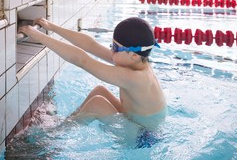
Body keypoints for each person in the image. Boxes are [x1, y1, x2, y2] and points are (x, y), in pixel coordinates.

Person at [19, 17, 167, 130]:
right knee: (100, 91)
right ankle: (65, 122)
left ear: (133, 54)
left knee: (97, 104)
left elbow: (82, 60)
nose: (111, 49)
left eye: (115, 46)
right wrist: (51, 27)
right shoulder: (132, 59)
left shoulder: (135, 78)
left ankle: (57, 134)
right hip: (135, 122)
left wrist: (38, 36)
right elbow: (90, 45)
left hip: (141, 137)